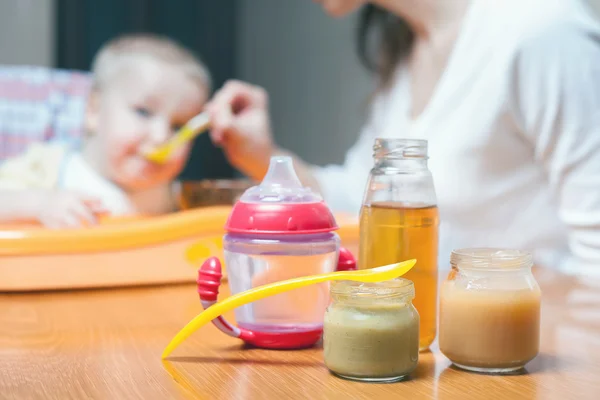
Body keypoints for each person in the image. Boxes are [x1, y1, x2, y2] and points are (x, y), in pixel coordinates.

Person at [206, 0, 600, 277]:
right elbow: (364, 202)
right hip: (447, 346)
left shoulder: (541, 29)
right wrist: (263, 156)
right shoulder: (408, 49)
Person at [0, 34, 211, 228]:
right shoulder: (46, 166)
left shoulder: (174, 197)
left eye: (179, 126)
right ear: (94, 109)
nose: (161, 136)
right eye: (143, 112)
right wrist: (39, 204)